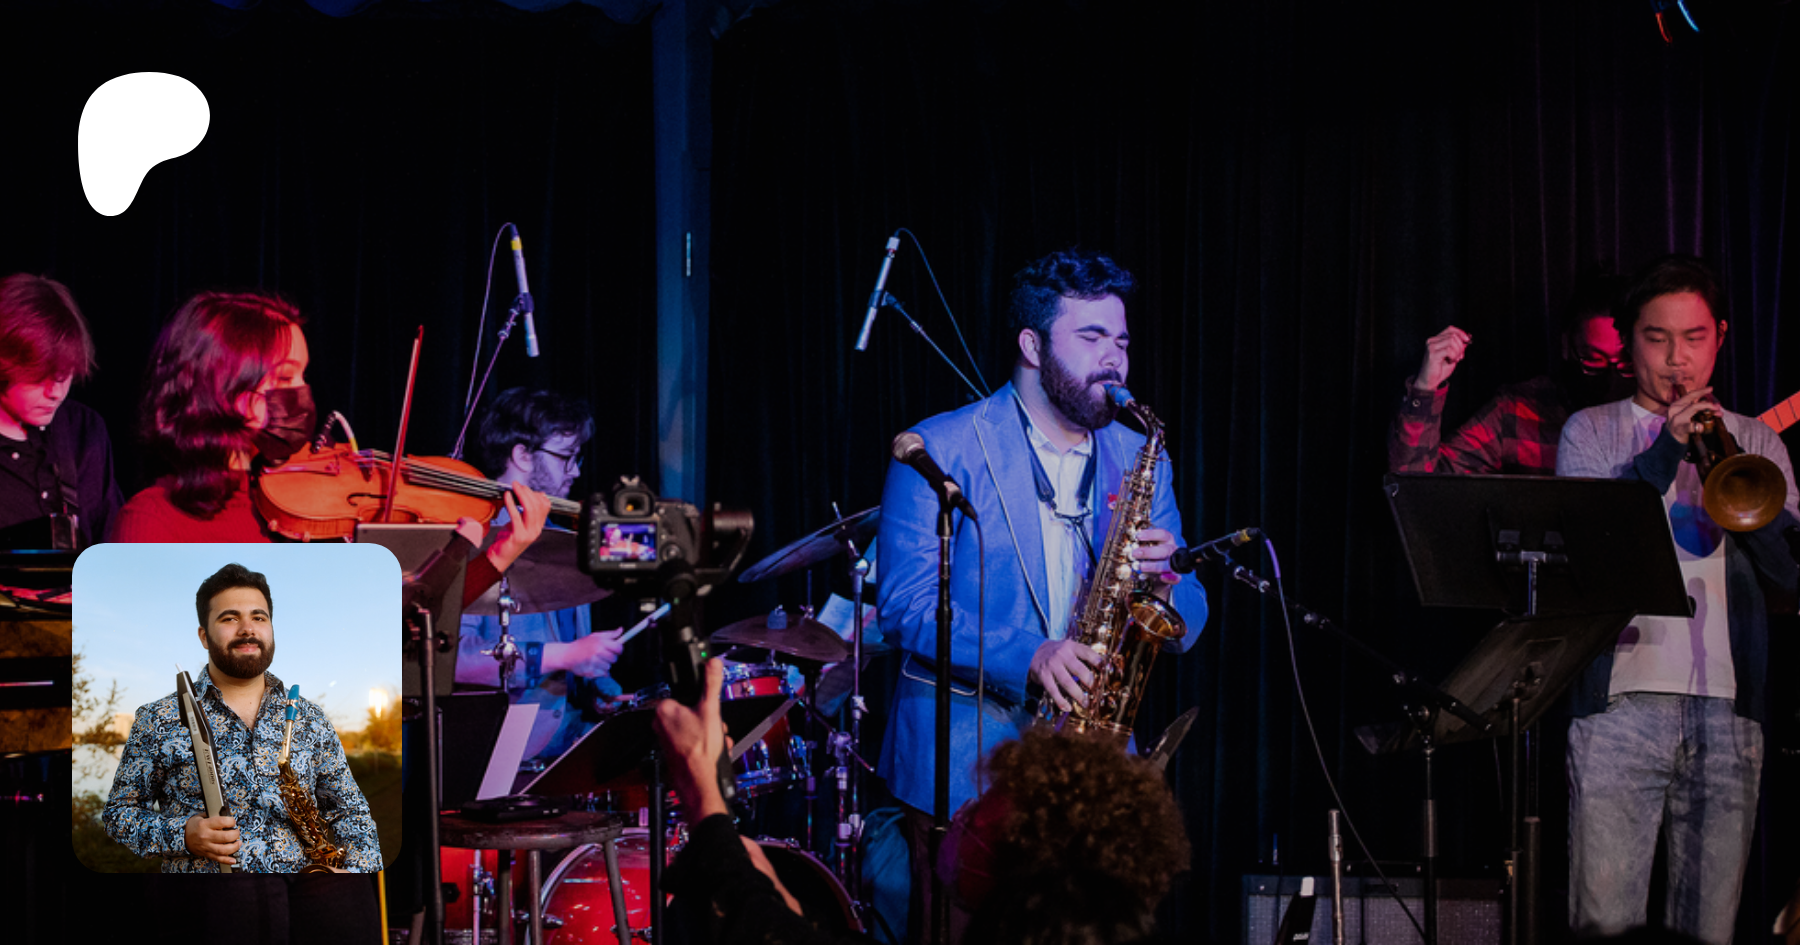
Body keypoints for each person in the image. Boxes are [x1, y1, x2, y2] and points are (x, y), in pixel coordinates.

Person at [875, 249, 1208, 940]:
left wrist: (1166, 579)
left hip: (1091, 766)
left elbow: (1192, 614)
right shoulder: (937, 447)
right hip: (962, 754)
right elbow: (905, 605)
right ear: (1032, 346)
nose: (1114, 359)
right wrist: (1031, 654)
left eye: (1121, 341)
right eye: (1091, 337)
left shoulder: (1141, 454)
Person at [1555, 255, 1800, 944]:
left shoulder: (1758, 439)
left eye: (1693, 338)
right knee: (1603, 923)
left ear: (1719, 337)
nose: (1676, 360)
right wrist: (1666, 451)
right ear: (1629, 341)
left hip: (1729, 711)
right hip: (1619, 708)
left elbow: (1789, 574)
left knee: (1710, 930)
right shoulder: (1589, 431)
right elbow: (1593, 555)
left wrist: (1736, 473)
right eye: (1656, 338)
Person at [112, 290, 546, 598]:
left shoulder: (301, 514)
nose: (302, 392)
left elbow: (393, 629)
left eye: (302, 375)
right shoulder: (153, 521)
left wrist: (500, 554)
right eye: (285, 376)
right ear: (223, 387)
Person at [101, 563, 381, 936]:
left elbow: (351, 810)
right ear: (204, 636)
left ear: (271, 629)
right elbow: (119, 815)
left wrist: (355, 866)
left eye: (258, 617)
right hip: (210, 894)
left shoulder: (310, 717)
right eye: (230, 618)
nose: (248, 628)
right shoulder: (158, 718)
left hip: (310, 884)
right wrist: (184, 835)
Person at [455, 387, 626, 772]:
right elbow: (454, 659)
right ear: (522, 455)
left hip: (565, 747)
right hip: (496, 760)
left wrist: (600, 686)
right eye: (566, 457)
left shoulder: (565, 543)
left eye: (577, 458)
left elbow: (573, 652)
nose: (576, 471)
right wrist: (567, 655)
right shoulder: (472, 540)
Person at [1390, 269, 1633, 475]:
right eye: (1593, 360)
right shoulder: (1517, 412)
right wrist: (1425, 388)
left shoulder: (1651, 417)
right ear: (1566, 346)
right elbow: (1419, 484)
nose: (1610, 377)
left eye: (1624, 363)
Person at [0, 273, 121, 548]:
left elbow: (111, 543)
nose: (55, 393)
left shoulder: (84, 431)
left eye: (63, 376)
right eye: (38, 378)